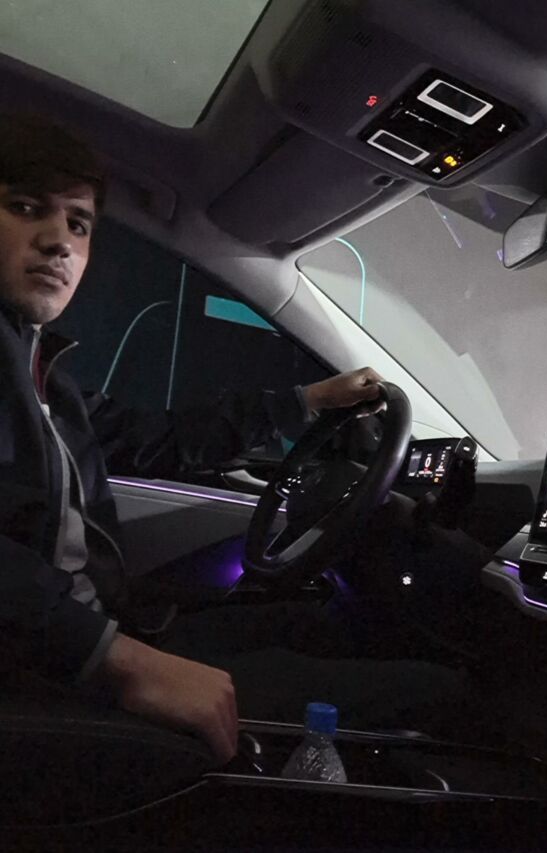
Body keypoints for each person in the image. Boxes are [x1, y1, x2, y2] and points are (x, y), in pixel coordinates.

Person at [0, 115, 473, 765]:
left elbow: (153, 437)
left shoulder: (43, 374)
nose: (60, 241)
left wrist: (308, 401)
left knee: (322, 624)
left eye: (79, 224)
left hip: (90, 637)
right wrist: (116, 659)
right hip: (52, 685)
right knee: (436, 692)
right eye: (27, 208)